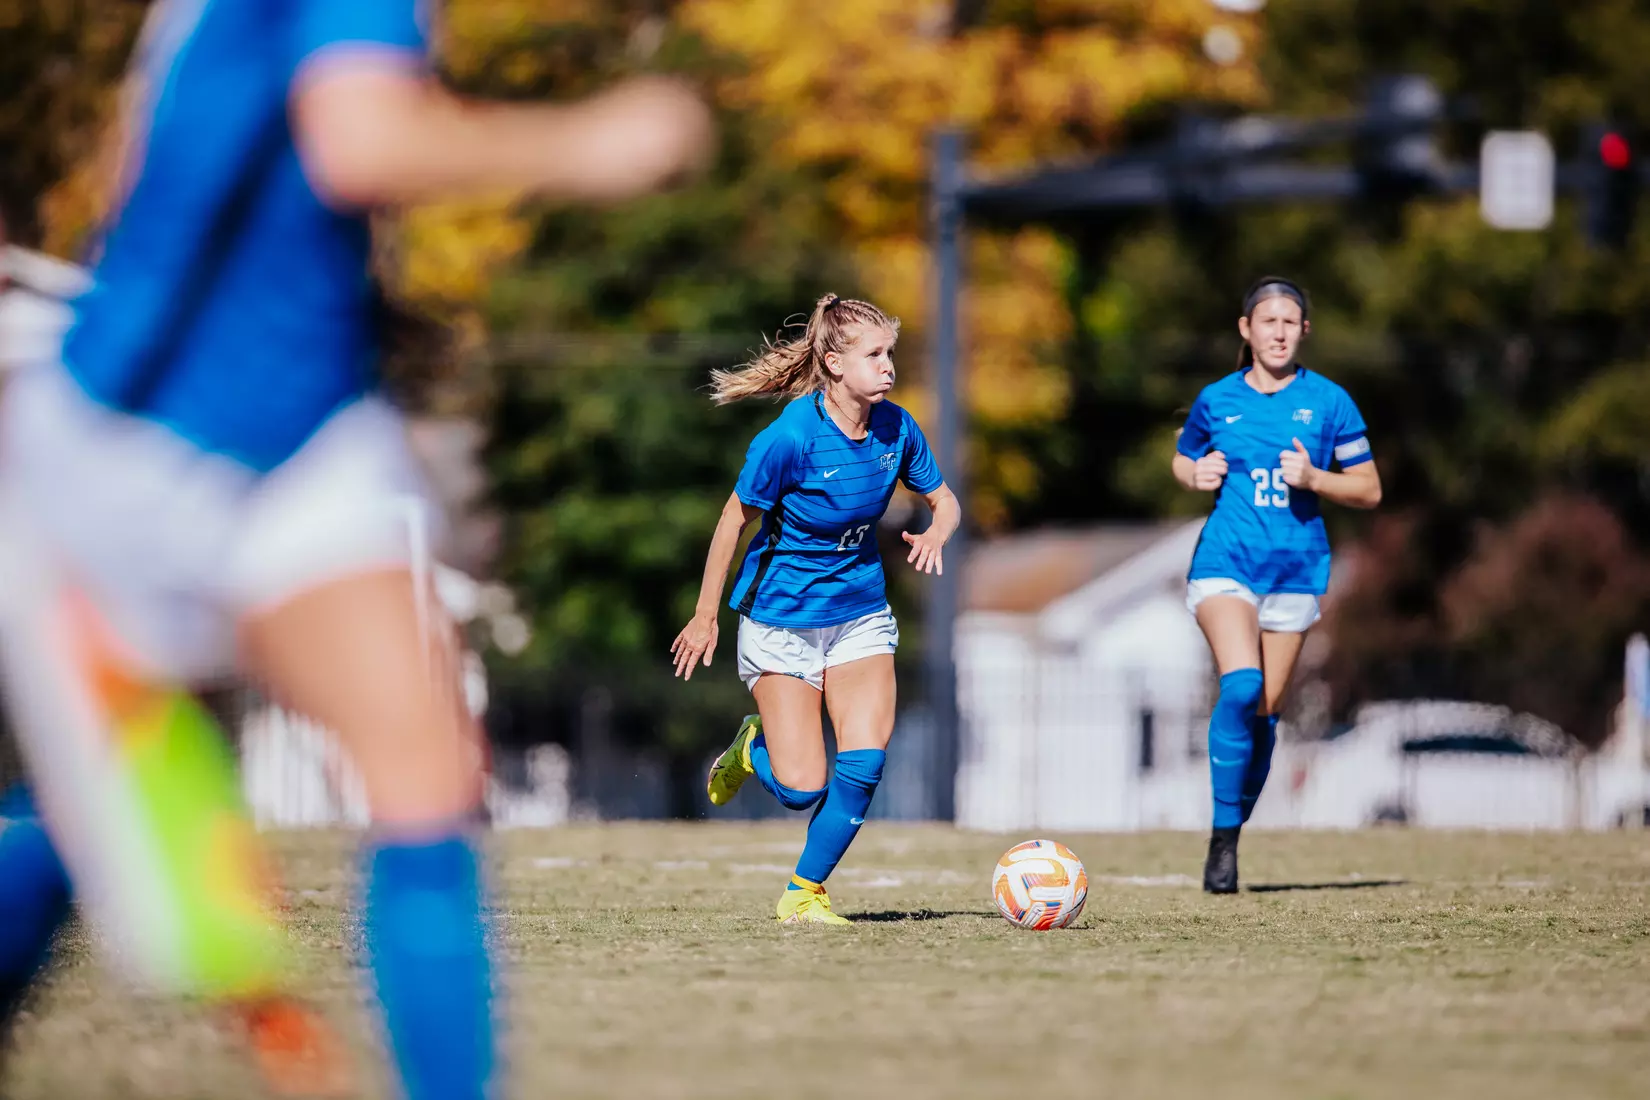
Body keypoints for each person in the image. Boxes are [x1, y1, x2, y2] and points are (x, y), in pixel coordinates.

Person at [0, 1, 712, 1097]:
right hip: (144, 440)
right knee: (104, 807)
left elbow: (141, 159)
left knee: (419, 766)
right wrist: (592, 141)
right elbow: (358, 142)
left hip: (293, 425)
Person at [671, 294, 960, 925]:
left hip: (859, 615)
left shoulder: (897, 427)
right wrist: (705, 614)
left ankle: (804, 893)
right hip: (779, 623)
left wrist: (939, 529)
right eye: (874, 355)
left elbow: (945, 501)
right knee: (802, 789)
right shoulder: (790, 439)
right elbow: (733, 520)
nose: (888, 367)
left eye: (891, 354)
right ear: (832, 362)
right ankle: (753, 749)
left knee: (865, 761)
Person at [1172, 277, 1381, 894]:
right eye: (1268, 321)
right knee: (1241, 684)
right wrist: (1195, 472)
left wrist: (1315, 475)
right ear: (1247, 330)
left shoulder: (1330, 402)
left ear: (1304, 331)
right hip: (1226, 562)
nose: (1280, 332)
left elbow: (1368, 488)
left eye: (1291, 322)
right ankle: (1220, 836)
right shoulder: (1217, 400)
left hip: (1295, 569)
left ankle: (1230, 836)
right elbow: (1185, 456)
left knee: (1265, 714)